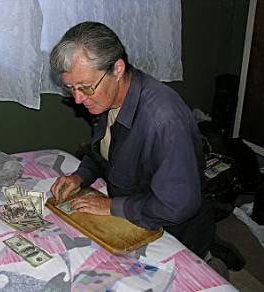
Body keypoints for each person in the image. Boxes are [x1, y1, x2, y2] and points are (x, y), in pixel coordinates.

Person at [49, 21, 244, 272]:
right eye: (71, 89)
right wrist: (80, 176)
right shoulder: (108, 96)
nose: (77, 99)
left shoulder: (163, 121)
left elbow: (177, 205)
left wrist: (111, 206)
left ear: (117, 69)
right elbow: (104, 151)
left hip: (172, 225)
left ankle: (207, 256)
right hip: (136, 202)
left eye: (85, 87)